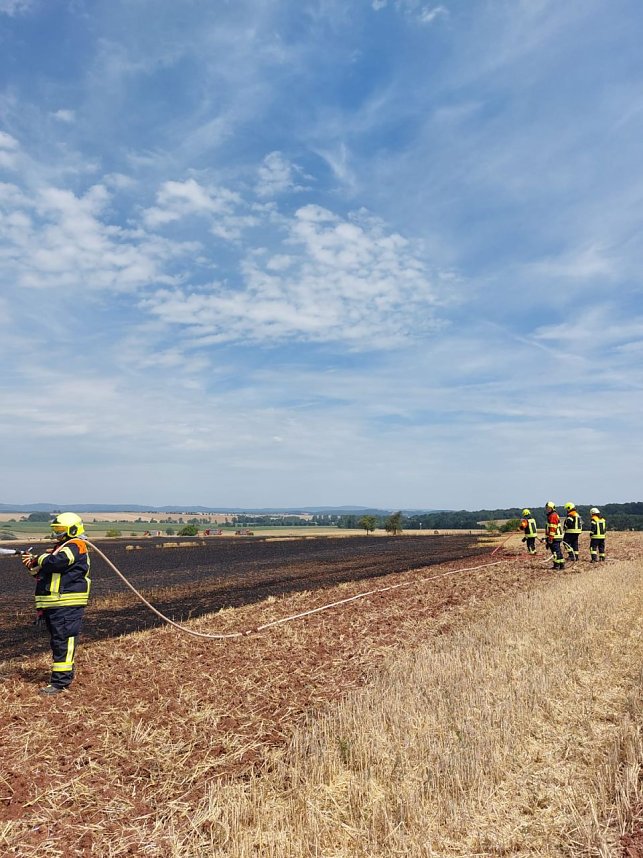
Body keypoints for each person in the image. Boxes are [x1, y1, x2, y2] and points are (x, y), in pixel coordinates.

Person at [22, 513, 91, 695]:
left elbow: (58, 562)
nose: (56, 535)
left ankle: (60, 683)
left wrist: (40, 558)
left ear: (73, 530)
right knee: (58, 641)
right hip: (54, 604)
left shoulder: (76, 545)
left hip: (67, 604)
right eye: (55, 531)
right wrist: (33, 566)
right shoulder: (57, 549)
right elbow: (43, 575)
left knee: (64, 641)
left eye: (60, 531)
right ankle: (60, 678)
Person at [544, 501, 565, 571]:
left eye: (549, 508)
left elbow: (552, 528)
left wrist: (550, 538)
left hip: (554, 537)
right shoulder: (552, 515)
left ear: (552, 508)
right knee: (558, 551)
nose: (547, 509)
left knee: (555, 552)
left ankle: (556, 565)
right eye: (547, 508)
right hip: (555, 536)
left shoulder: (553, 516)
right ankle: (561, 565)